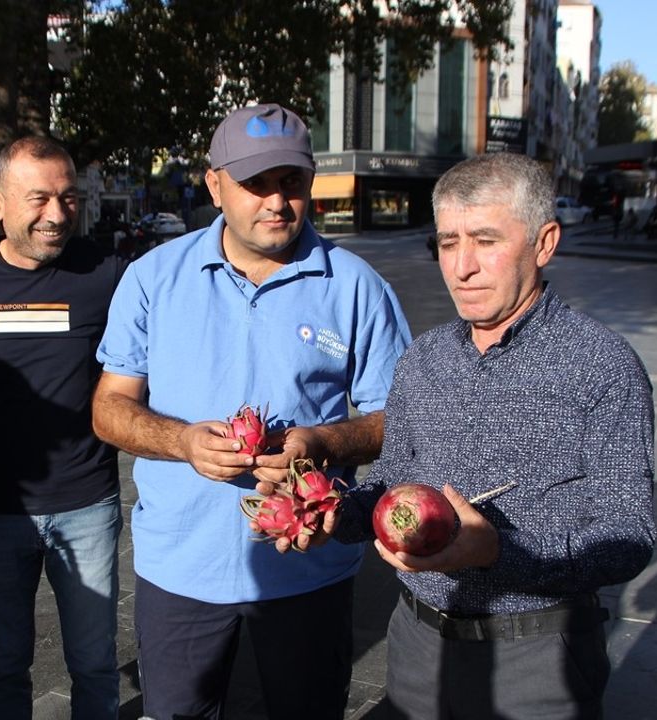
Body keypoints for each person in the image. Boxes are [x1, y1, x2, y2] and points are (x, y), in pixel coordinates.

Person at [92, 103, 412, 719]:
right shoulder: (152, 278)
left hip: (308, 571)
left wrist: (323, 441)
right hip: (181, 568)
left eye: (290, 182)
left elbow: (397, 420)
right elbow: (110, 408)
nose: (276, 201)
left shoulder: (357, 287)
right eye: (254, 183)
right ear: (214, 185)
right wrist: (182, 440)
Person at [318, 152, 655, 718]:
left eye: (485, 240)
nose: (461, 267)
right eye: (448, 243)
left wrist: (499, 551)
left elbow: (627, 535)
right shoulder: (422, 360)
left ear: (544, 243)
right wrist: (330, 510)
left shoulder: (604, 366)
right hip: (417, 650)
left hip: (539, 662)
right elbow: (393, 484)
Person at [0, 136, 127, 719]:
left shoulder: (105, 273)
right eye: (39, 199)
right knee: (4, 665)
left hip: (87, 504)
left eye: (68, 199)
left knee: (93, 663)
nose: (57, 216)